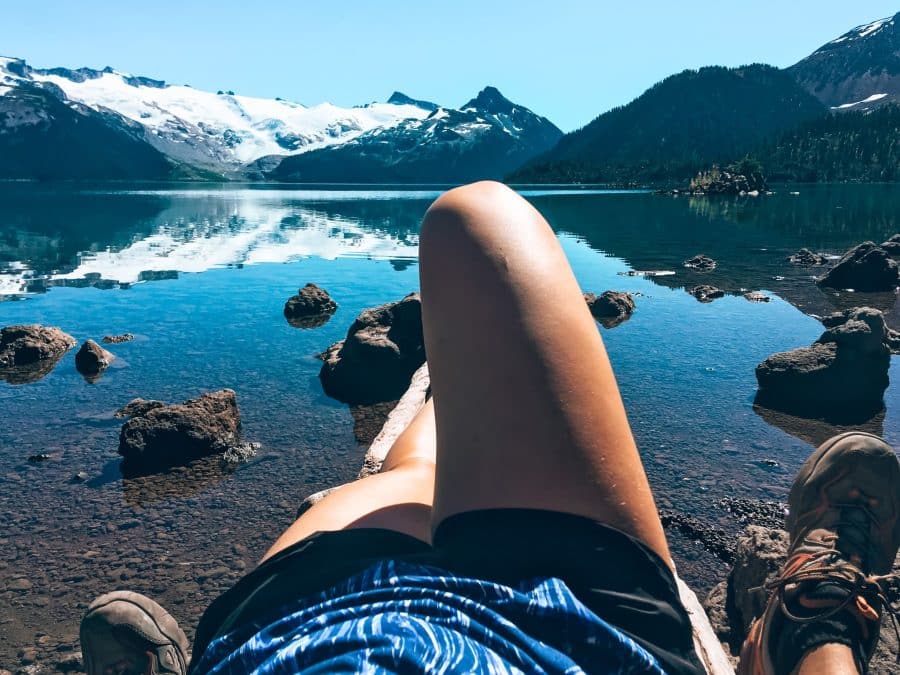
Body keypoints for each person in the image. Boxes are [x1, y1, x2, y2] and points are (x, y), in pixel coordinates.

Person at [79, 182, 899, 675]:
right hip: (582, 633)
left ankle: (440, 391)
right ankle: (813, 633)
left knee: (407, 474)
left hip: (310, 631)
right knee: (478, 222)